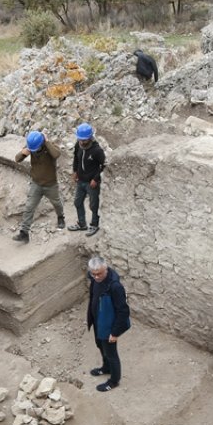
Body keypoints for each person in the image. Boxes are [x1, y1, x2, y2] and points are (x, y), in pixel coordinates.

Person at [86, 256, 130, 392]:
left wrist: (115, 332)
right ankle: (106, 368)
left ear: (106, 269)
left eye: (99, 273)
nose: (96, 277)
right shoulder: (94, 278)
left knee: (111, 354)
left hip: (108, 327)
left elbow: (123, 311)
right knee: (100, 346)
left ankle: (114, 380)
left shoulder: (115, 287)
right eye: (93, 274)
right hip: (99, 322)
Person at [13, 130, 65, 243]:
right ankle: (24, 233)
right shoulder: (32, 146)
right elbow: (17, 159)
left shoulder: (49, 147)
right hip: (36, 183)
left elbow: (56, 154)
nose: (34, 151)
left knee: (56, 202)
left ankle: (61, 217)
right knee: (29, 207)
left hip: (50, 184)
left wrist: (46, 142)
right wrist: (24, 152)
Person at [68, 123, 106, 237]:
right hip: (81, 180)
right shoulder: (78, 145)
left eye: (84, 140)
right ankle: (82, 224)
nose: (82, 142)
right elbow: (76, 158)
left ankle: (94, 224)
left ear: (90, 138)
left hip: (91, 182)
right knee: (77, 202)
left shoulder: (97, 150)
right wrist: (75, 171)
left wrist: (96, 179)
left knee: (93, 205)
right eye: (80, 139)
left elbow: (103, 165)